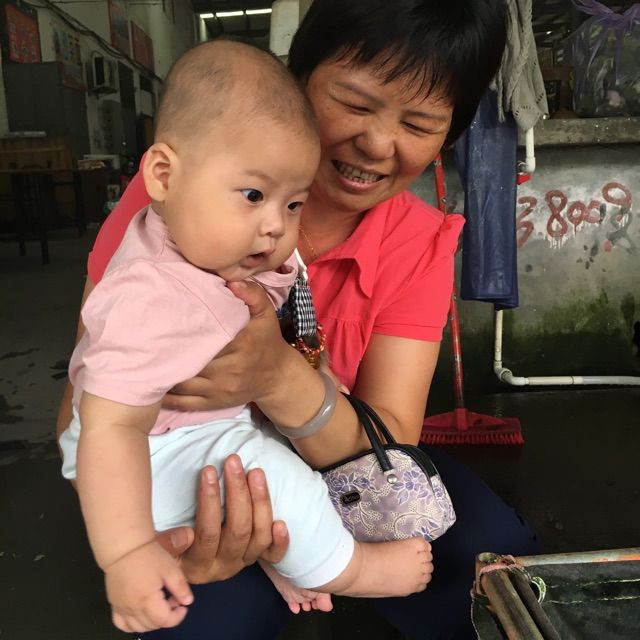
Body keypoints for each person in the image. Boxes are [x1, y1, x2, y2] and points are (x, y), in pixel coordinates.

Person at [57, 1, 538, 638]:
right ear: (300, 78)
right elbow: (85, 414)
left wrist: (277, 376)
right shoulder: (176, 204)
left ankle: (327, 561)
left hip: (337, 462)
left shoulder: (419, 240)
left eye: (419, 123)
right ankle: (316, 562)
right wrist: (142, 540)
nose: (378, 144)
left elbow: (388, 441)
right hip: (196, 462)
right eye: (356, 103)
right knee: (200, 615)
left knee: (493, 564)